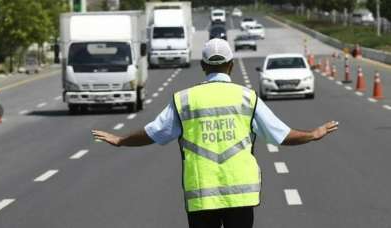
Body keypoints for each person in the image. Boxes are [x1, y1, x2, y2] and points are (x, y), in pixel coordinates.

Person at [92, 38, 339, 228]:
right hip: (241, 196)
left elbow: (155, 133)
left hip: (201, 195)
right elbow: (281, 135)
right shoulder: (246, 98)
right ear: (231, 65)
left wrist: (121, 140)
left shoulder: (185, 100)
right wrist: (313, 134)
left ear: (203, 66)